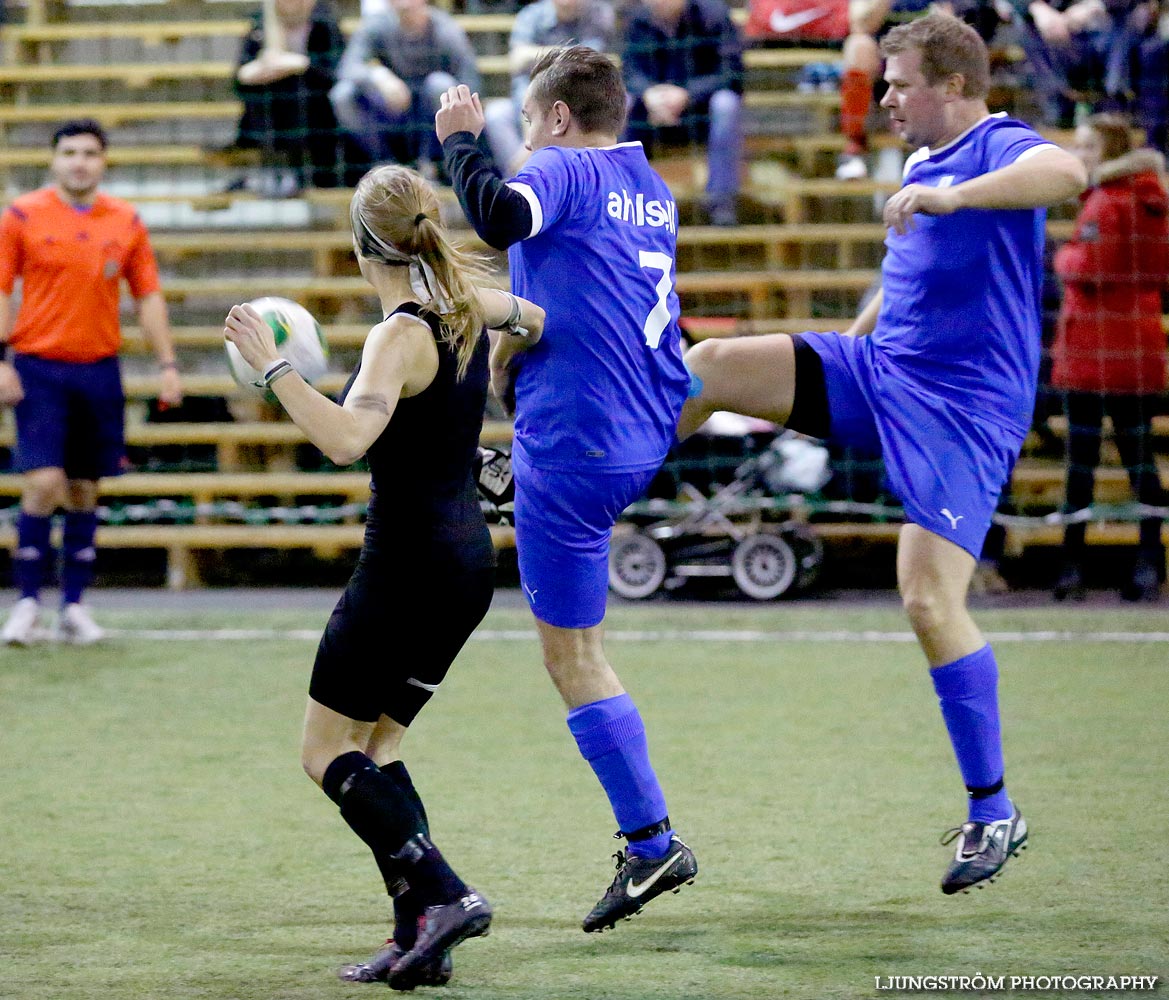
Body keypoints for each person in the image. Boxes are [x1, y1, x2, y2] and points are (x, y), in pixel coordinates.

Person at [680, 13, 1087, 894]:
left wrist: (955, 196)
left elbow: (1067, 169)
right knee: (708, 366)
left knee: (926, 600)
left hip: (961, 411)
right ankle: (579, 488)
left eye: (899, 82)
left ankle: (992, 812)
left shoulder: (993, 145)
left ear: (953, 85)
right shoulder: (918, 164)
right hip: (880, 369)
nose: (886, 97)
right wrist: (847, 336)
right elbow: (903, 269)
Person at [223, 164, 545, 990]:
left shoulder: (398, 333)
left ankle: (443, 895)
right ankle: (418, 936)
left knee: (324, 752)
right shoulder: (469, 304)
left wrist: (274, 371)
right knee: (379, 745)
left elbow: (344, 439)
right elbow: (535, 318)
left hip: (405, 566)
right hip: (467, 566)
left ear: (364, 245)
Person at [436, 47, 699, 932]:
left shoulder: (561, 166)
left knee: (571, 657)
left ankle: (652, 843)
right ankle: (504, 475)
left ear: (552, 117)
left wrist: (463, 143)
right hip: (643, 427)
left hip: (578, 442)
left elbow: (502, 215)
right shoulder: (647, 186)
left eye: (523, 118)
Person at [0, 120, 184, 647]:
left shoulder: (125, 221)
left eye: (89, 153)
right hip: (38, 366)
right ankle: (28, 603)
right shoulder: (21, 216)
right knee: (42, 483)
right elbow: (2, 287)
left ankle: (74, 607)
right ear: (53, 160)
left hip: (100, 368)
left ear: (103, 162)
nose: (79, 161)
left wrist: (168, 363)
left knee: (84, 489)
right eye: (69, 152)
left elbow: (147, 296)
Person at [1049, 114, 1168, 602]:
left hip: (1093, 347)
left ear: (1108, 152)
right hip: (1138, 345)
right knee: (1141, 462)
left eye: (1087, 147)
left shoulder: (1105, 202)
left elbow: (1088, 266)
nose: (1079, 156)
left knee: (1081, 465)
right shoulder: (1153, 201)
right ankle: (1149, 562)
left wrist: (1061, 256)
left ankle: (1070, 566)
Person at [621, 0, 744, 226]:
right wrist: (649, 94)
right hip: (650, 115)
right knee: (623, 103)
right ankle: (625, 202)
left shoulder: (714, 15)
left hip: (701, 115)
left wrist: (687, 95)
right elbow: (628, 70)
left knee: (727, 104)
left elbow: (732, 73)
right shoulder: (637, 19)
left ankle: (721, 202)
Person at [329, 0, 482, 175]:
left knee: (441, 85)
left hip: (434, 123)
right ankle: (385, 168)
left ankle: (435, 167)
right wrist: (379, 76)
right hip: (392, 114)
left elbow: (470, 83)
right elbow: (348, 66)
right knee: (343, 95)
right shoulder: (379, 24)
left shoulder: (445, 29)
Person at [231, 0, 355, 193]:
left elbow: (337, 73)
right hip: (272, 115)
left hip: (319, 118)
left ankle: (295, 171)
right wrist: (262, 69)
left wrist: (300, 64)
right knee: (269, 87)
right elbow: (240, 78)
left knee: (296, 86)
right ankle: (277, 168)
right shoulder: (260, 25)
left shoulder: (325, 23)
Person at [482, 0, 616, 176]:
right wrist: (569, 56)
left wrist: (539, 55)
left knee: (618, 105)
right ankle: (522, 181)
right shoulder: (531, 15)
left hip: (580, 104)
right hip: (527, 102)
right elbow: (518, 59)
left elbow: (595, 61)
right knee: (496, 114)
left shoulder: (599, 13)